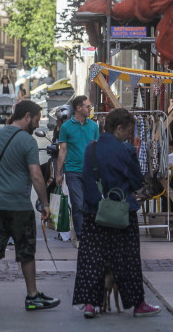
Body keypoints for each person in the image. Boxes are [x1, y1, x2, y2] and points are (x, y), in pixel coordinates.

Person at [73, 108, 162, 318]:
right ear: (119, 128)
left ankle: (90, 304)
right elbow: (135, 181)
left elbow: (86, 179)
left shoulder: (90, 149)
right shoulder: (126, 150)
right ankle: (137, 304)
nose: (130, 136)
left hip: (94, 211)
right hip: (122, 212)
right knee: (127, 259)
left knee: (92, 258)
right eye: (128, 131)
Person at [0, 100, 60, 313]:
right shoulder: (27, 141)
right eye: (37, 119)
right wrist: (45, 203)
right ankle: (32, 296)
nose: (37, 123)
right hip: (20, 206)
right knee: (26, 251)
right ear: (27, 116)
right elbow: (36, 175)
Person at [56, 95, 99, 246]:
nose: (90, 109)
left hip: (90, 172)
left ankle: (90, 233)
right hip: (73, 171)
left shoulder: (94, 126)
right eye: (87, 106)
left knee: (92, 203)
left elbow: (97, 149)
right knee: (78, 204)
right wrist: (58, 173)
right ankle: (81, 236)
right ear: (79, 108)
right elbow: (63, 151)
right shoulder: (66, 127)